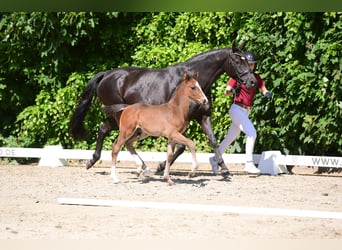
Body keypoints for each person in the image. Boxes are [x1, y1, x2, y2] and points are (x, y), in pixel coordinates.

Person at [209, 51, 272, 175]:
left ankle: (215, 158)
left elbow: (263, 88)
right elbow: (226, 91)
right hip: (236, 109)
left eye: (253, 64)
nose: (251, 67)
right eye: (249, 64)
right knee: (252, 134)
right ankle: (248, 163)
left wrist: (267, 93)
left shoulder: (257, 78)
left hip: (246, 111)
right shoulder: (237, 77)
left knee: (230, 138)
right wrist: (234, 91)